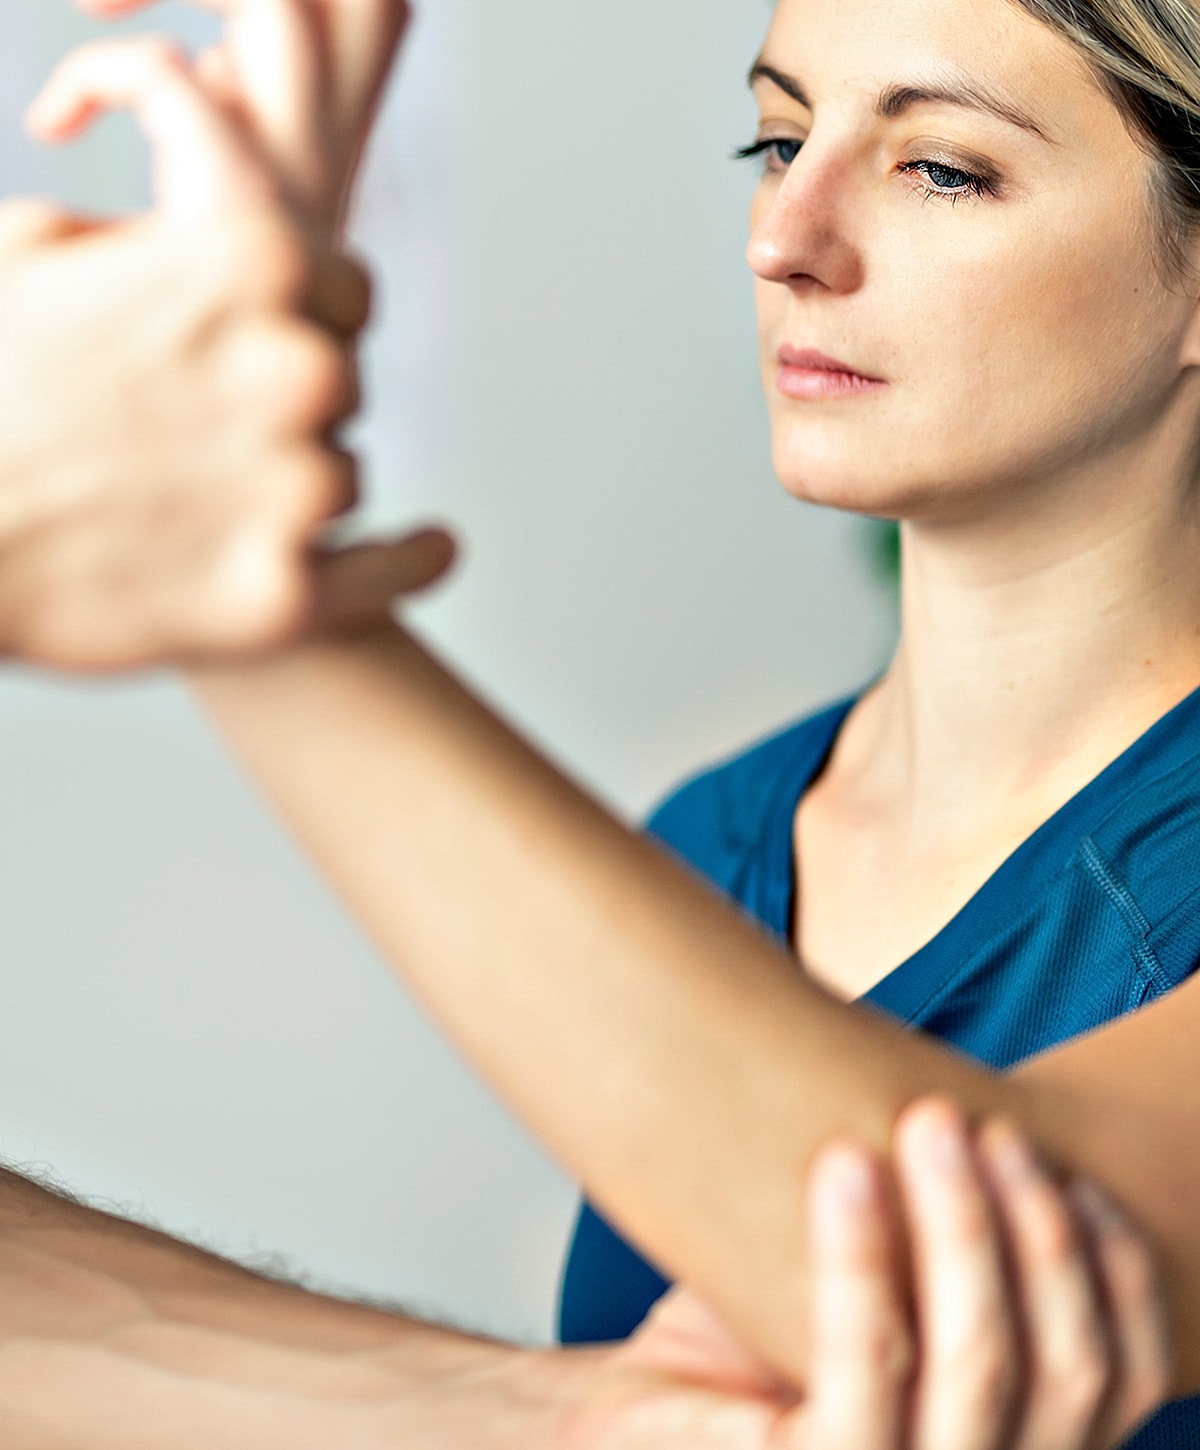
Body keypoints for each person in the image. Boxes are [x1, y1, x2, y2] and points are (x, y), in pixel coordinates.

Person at [0, 4, 1162, 1447]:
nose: (784, 234)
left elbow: (988, 1280)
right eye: (779, 139)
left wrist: (229, 571)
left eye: (941, 169)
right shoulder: (715, 840)